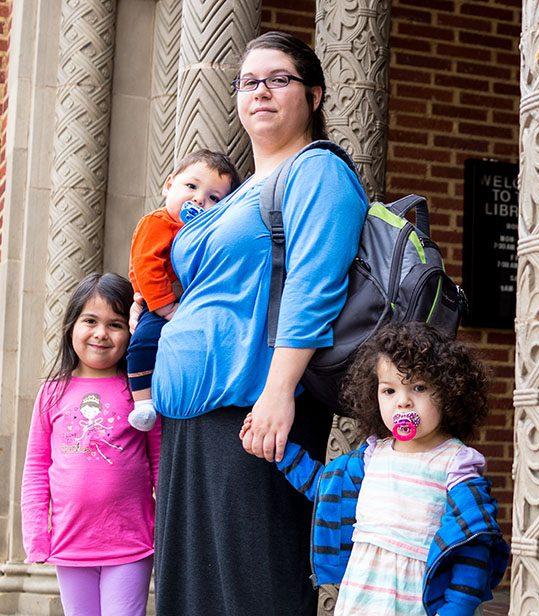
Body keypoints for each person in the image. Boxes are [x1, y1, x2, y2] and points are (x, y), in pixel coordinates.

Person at [146, 31, 368, 615]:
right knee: (193, 597)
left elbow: (315, 285)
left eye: (278, 79)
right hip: (195, 420)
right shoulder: (240, 191)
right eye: (249, 82)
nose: (260, 92)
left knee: (251, 592)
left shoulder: (317, 172)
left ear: (314, 94)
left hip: (254, 414)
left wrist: (277, 393)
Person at [242, 323, 510, 616]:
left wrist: (456, 609)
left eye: (419, 387)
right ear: (374, 395)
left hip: (417, 604)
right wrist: (280, 452)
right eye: (389, 390)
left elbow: (473, 543)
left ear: (449, 392)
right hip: (360, 600)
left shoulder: (456, 464)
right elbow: (326, 489)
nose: (403, 401)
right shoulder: (372, 456)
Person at [20, 273, 161, 616]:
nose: (101, 333)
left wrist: (168, 527)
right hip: (72, 543)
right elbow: (36, 468)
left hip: (130, 541)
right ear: (71, 326)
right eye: (90, 321)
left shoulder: (139, 391)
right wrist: (37, 535)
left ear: (131, 331)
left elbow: (160, 462)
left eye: (115, 324)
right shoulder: (51, 393)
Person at [126, 149, 240, 432]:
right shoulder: (158, 223)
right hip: (161, 304)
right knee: (143, 342)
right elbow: (147, 265)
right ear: (168, 186)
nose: (199, 198)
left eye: (214, 198)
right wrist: (167, 308)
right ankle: (142, 402)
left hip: (190, 305)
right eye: (191, 186)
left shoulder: (207, 234)